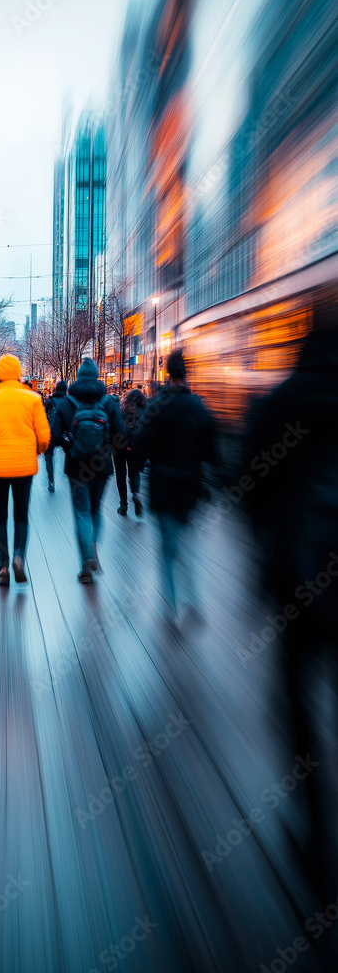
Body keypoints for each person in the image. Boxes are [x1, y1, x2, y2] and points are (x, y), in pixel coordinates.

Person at [243, 318, 338, 900]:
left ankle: (314, 827)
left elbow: (248, 488)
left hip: (299, 584)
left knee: (296, 698)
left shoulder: (282, 403)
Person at [132, 350, 217, 620]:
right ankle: (192, 598)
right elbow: (213, 452)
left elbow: (140, 446)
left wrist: (133, 473)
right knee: (188, 541)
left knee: (168, 546)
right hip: (191, 486)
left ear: (168, 374)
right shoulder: (197, 406)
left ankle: (170, 605)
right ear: (186, 373)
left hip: (163, 484)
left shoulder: (157, 407)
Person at [0, 354, 50, 585]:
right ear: (18, 373)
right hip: (24, 467)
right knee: (22, 515)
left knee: (0, 518)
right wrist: (35, 451)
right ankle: (18, 557)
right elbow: (44, 437)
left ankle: (3, 566)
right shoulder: (33, 399)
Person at [51, 359, 127, 584]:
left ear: (77, 376)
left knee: (81, 512)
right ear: (96, 376)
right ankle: (93, 549)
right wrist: (106, 446)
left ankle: (86, 562)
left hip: (76, 467)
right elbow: (121, 436)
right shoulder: (109, 402)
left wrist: (71, 445)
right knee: (96, 509)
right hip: (102, 466)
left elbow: (53, 436)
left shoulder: (66, 402)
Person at [115, 388, 147, 516]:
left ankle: (123, 504)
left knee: (120, 474)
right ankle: (136, 494)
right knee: (134, 473)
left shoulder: (120, 408)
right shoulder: (144, 411)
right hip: (135, 447)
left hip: (119, 445)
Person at [43, 380, 67, 492]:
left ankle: (51, 481)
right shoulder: (68, 401)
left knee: (48, 456)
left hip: (51, 433)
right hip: (65, 434)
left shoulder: (50, 401)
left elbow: (44, 416)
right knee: (71, 453)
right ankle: (70, 476)